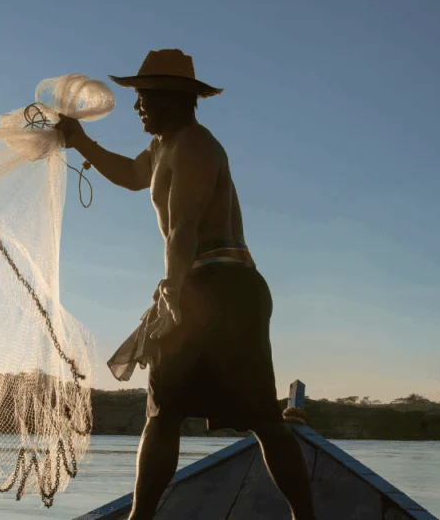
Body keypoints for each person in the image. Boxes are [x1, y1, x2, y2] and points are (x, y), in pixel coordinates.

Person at [55, 49, 317, 520]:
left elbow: (183, 228)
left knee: (255, 416)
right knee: (166, 407)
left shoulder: (195, 146)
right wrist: (79, 141)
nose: (136, 107)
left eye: (143, 98)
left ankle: (304, 517)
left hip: (225, 286)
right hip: (200, 283)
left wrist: (173, 293)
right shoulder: (161, 148)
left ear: (174, 99)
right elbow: (133, 175)